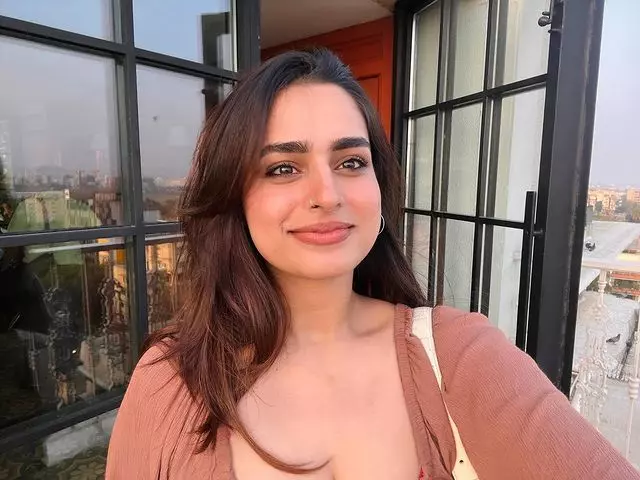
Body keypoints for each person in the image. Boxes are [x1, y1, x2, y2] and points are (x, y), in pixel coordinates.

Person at [106, 48, 639, 479]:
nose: (327, 194)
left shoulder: (460, 356)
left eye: (351, 162)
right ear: (235, 198)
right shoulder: (169, 385)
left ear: (379, 188)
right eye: (284, 167)